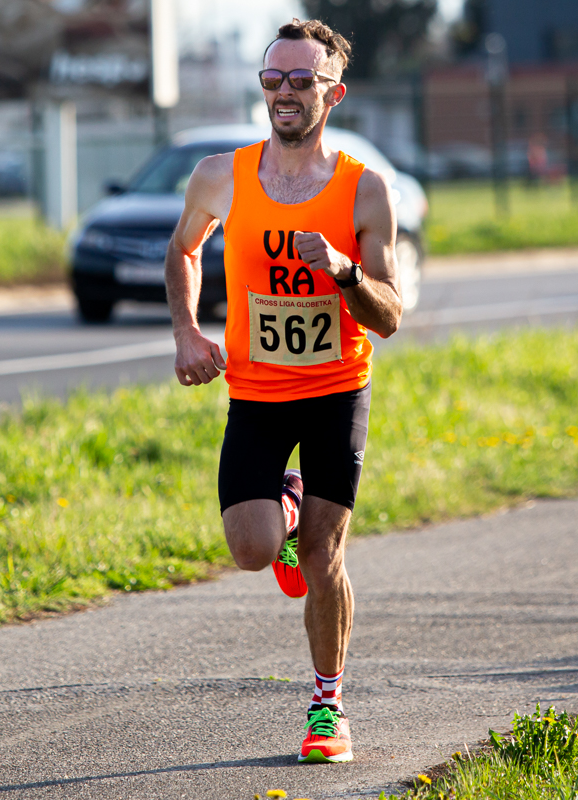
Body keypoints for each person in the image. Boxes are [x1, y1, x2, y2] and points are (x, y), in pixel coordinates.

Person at [165, 18, 402, 764]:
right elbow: (183, 250)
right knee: (251, 548)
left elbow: (389, 315)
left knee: (324, 558)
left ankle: (328, 708)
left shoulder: (366, 190)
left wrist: (344, 271)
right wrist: (187, 332)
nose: (285, 93)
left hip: (336, 389)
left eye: (302, 80)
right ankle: (287, 503)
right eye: (273, 79)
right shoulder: (221, 176)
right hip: (258, 393)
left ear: (334, 93)